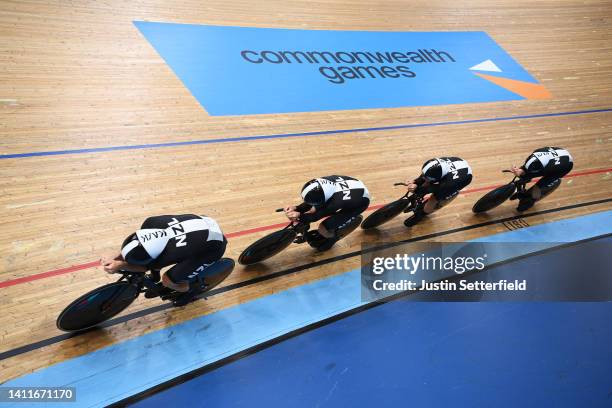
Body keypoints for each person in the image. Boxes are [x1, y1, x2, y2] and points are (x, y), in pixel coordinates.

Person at [101, 214, 227, 307]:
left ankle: (191, 290)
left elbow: (144, 267)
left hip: (212, 248)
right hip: (204, 224)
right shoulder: (150, 223)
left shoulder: (170, 253)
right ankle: (155, 276)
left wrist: (120, 265)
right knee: (154, 262)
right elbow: (136, 244)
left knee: (168, 280)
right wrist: (116, 256)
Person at [284, 175, 370, 251]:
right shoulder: (324, 183)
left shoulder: (336, 202)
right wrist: (297, 208)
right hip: (353, 189)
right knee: (315, 207)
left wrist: (299, 215)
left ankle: (333, 238)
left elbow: (316, 216)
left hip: (359, 203)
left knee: (324, 228)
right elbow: (313, 202)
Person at [404, 157, 473, 227]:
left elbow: (432, 189)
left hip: (457, 182)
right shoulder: (436, 165)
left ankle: (421, 214)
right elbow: (424, 176)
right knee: (426, 180)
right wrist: (415, 182)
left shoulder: (449, 184)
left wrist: (418, 190)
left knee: (433, 200)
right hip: (454, 169)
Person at [509, 147, 573, 211]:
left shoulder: (548, 167)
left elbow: (534, 174)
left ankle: (527, 202)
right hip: (558, 154)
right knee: (526, 172)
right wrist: (520, 170)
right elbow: (527, 169)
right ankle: (521, 189)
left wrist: (525, 175)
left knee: (539, 187)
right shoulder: (536, 152)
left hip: (563, 167)